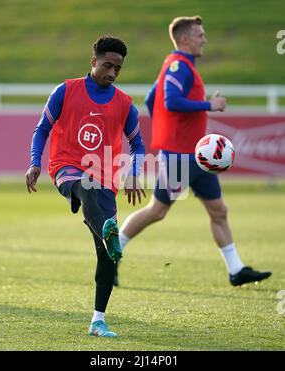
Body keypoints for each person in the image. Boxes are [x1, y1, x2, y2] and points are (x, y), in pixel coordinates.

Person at [117, 16, 271, 287]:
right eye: (200, 35)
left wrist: (166, 128)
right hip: (179, 156)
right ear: (185, 39)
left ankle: (236, 270)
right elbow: (171, 101)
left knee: (218, 210)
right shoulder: (179, 66)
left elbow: (152, 99)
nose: (205, 39)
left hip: (197, 155)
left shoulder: (179, 65)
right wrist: (208, 106)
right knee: (157, 211)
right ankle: (111, 253)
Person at [25, 35, 146, 337]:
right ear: (93, 61)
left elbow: (139, 145)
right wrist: (35, 162)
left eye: (117, 68)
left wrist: (134, 174)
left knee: (106, 258)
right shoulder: (66, 91)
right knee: (86, 184)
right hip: (66, 168)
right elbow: (43, 129)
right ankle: (106, 229)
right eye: (107, 65)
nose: (112, 73)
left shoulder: (124, 104)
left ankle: (98, 321)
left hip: (105, 181)